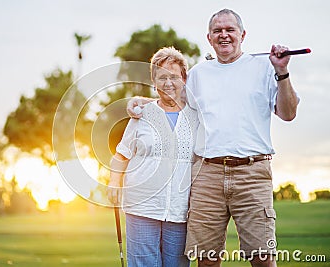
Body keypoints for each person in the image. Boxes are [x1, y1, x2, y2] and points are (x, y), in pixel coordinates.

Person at [128, 9, 299, 267]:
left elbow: (288, 113)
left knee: (263, 257)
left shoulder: (266, 67)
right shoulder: (198, 74)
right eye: (217, 31)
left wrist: (282, 72)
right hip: (207, 174)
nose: (224, 35)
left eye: (230, 29)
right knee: (207, 261)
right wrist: (141, 102)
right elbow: (173, 100)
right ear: (209, 38)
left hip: (252, 173)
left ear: (242, 34)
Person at [107, 46, 198, 267]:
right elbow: (121, 155)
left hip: (180, 210)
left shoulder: (196, 117)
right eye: (162, 77)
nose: (168, 83)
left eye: (174, 77)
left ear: (184, 80)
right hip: (141, 206)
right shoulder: (141, 115)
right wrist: (113, 181)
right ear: (154, 82)